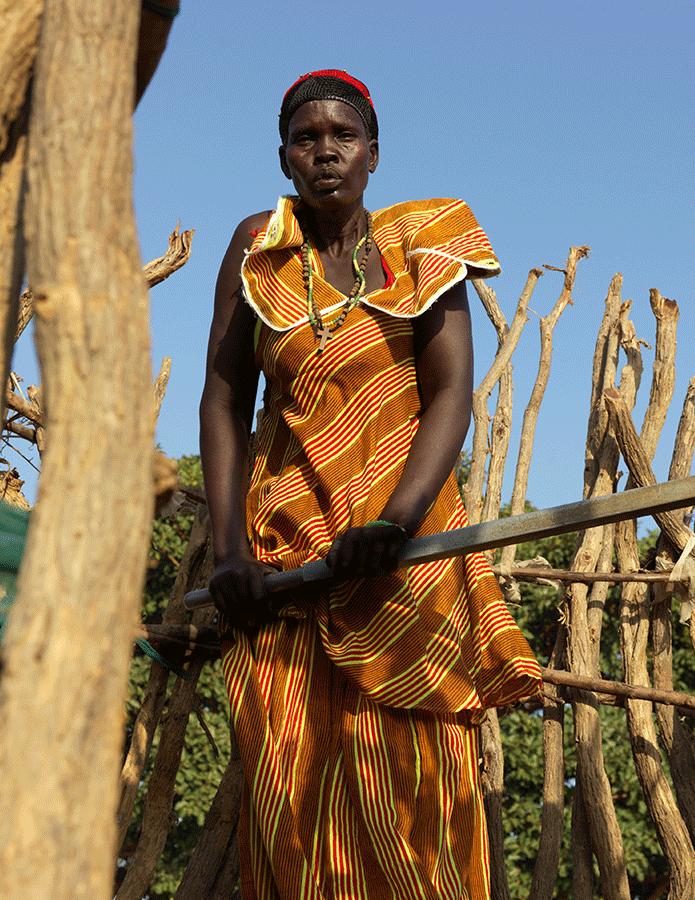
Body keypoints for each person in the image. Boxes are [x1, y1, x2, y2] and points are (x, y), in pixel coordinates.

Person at [199, 70, 542, 900]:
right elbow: (222, 393)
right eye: (305, 138)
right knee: (292, 793)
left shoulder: (426, 246)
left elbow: (452, 392)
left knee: (415, 791)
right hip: (288, 559)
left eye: (341, 137)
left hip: (405, 557)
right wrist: (229, 551)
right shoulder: (259, 247)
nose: (324, 153)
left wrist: (394, 524)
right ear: (283, 157)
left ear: (374, 154)